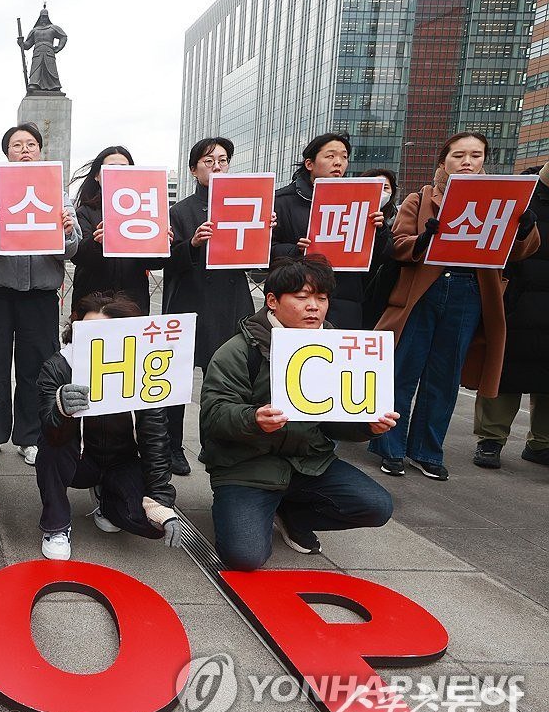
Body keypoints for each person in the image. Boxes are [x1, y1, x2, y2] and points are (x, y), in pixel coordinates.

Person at [199, 257, 398, 571]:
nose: (314, 307)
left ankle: (294, 516)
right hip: (247, 466)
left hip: (309, 463)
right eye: (302, 297)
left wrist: (367, 425)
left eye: (322, 298)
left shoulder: (337, 348)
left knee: (377, 506)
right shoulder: (239, 350)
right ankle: (239, 509)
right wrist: (253, 419)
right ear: (272, 301)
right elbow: (213, 415)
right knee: (245, 557)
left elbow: (334, 420)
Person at [372, 132, 541, 480]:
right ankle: (390, 447)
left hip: (470, 292)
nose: (467, 162)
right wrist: (424, 239)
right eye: (458, 155)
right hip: (422, 292)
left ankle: (426, 451)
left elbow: (520, 252)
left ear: (484, 161)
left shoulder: (503, 200)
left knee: (445, 377)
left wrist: (525, 228)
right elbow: (397, 244)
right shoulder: (421, 198)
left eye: (476, 156)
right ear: (443, 161)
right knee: (403, 371)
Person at [34, 292, 181, 561]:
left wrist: (160, 500)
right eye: (87, 331)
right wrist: (61, 409)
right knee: (50, 445)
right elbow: (48, 429)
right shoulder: (58, 367)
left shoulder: (145, 369)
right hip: (78, 460)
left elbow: (155, 437)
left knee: (152, 524)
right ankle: (56, 525)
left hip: (122, 461)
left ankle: (107, 500)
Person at [0, 122, 79, 465]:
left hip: (40, 294)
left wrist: (66, 232)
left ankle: (30, 436)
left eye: (31, 144)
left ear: (40, 151)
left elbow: (72, 248)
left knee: (37, 366)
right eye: (16, 145)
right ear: (7, 153)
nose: (24, 150)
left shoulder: (57, 193)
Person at [161, 137, 254, 478]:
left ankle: (215, 443)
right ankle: (172, 446)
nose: (217, 166)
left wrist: (263, 231)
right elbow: (166, 260)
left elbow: (258, 263)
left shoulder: (247, 205)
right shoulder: (180, 211)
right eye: (208, 161)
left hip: (231, 302)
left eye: (223, 160)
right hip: (191, 300)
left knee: (225, 379)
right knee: (177, 379)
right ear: (193, 169)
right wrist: (193, 244)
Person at [472, 164, 549, 469]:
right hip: (518, 299)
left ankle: (542, 443)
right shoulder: (522, 195)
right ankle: (490, 440)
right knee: (504, 372)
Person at [271, 133, 387, 330]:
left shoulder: (360, 201)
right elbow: (266, 252)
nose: (338, 162)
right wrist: (296, 251)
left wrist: (379, 230)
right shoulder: (283, 201)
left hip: (345, 301)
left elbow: (382, 256)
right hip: (298, 298)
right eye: (330, 156)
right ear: (309, 164)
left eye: (344, 157)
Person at [70, 145, 161, 314]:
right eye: (111, 169)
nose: (118, 174)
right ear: (97, 176)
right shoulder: (85, 211)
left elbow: (154, 263)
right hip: (92, 304)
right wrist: (97, 243)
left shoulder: (145, 212)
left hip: (132, 302)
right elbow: (77, 255)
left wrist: (159, 243)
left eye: (124, 169)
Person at [360, 168, 401, 330]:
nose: (380, 192)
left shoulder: (397, 220)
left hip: (381, 292)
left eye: (385, 188)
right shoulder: (351, 217)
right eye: (375, 186)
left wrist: (381, 229)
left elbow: (386, 253)